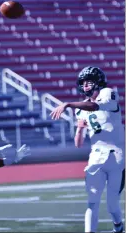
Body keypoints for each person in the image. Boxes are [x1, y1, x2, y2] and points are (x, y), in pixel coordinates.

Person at [50, 66, 125, 233]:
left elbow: (97, 107)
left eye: (89, 82)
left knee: (113, 205)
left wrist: (67, 103)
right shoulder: (80, 110)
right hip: (96, 157)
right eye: (82, 83)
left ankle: (118, 227)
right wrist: (79, 129)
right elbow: (78, 144)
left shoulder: (107, 93)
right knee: (92, 201)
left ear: (98, 83)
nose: (85, 86)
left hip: (117, 156)